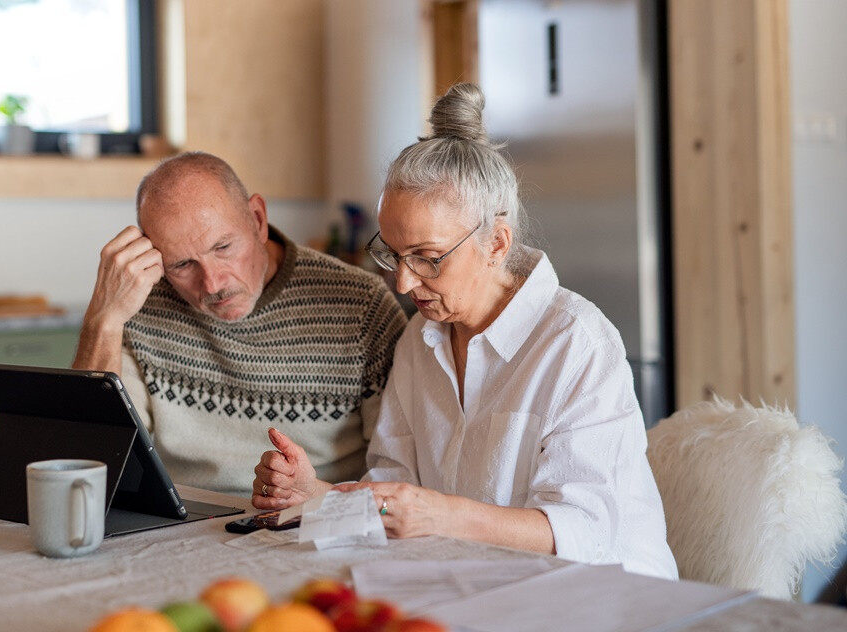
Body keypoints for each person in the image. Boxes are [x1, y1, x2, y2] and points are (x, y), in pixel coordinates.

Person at [251, 83, 678, 580]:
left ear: (496, 243)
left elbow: (584, 531)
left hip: (608, 599)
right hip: (480, 583)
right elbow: (395, 495)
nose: (405, 282)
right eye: (392, 253)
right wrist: (315, 495)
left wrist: (442, 515)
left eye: (428, 259)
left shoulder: (576, 343)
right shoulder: (421, 340)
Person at [72, 151, 407, 496]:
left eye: (223, 247)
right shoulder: (139, 302)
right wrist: (104, 319)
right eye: (182, 264)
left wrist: (318, 496)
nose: (213, 284)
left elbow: (400, 477)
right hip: (182, 525)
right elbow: (91, 461)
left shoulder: (362, 304)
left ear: (258, 219)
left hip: (316, 524)